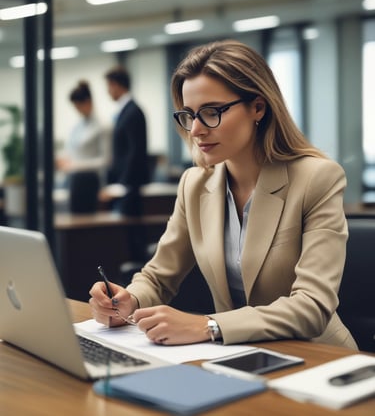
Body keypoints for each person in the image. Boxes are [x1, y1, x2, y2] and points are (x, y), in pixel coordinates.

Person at [89, 39, 357, 350]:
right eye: (189, 115)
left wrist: (209, 325)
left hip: (318, 357)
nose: (197, 130)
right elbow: (158, 277)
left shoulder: (317, 178)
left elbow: (313, 306)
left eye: (212, 112)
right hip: (238, 355)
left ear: (258, 107)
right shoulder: (195, 184)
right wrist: (127, 300)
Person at [100, 65, 149, 217]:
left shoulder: (133, 111)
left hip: (130, 187)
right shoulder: (124, 111)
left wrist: (121, 185)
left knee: (129, 233)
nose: (107, 91)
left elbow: (135, 151)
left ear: (115, 85)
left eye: (108, 86)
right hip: (124, 185)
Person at [56, 80, 109, 213]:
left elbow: (106, 160)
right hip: (74, 180)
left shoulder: (103, 125)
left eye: (78, 106)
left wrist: (74, 165)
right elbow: (72, 151)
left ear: (88, 102)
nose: (77, 110)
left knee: (88, 220)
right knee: (74, 217)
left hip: (90, 181)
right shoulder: (77, 126)